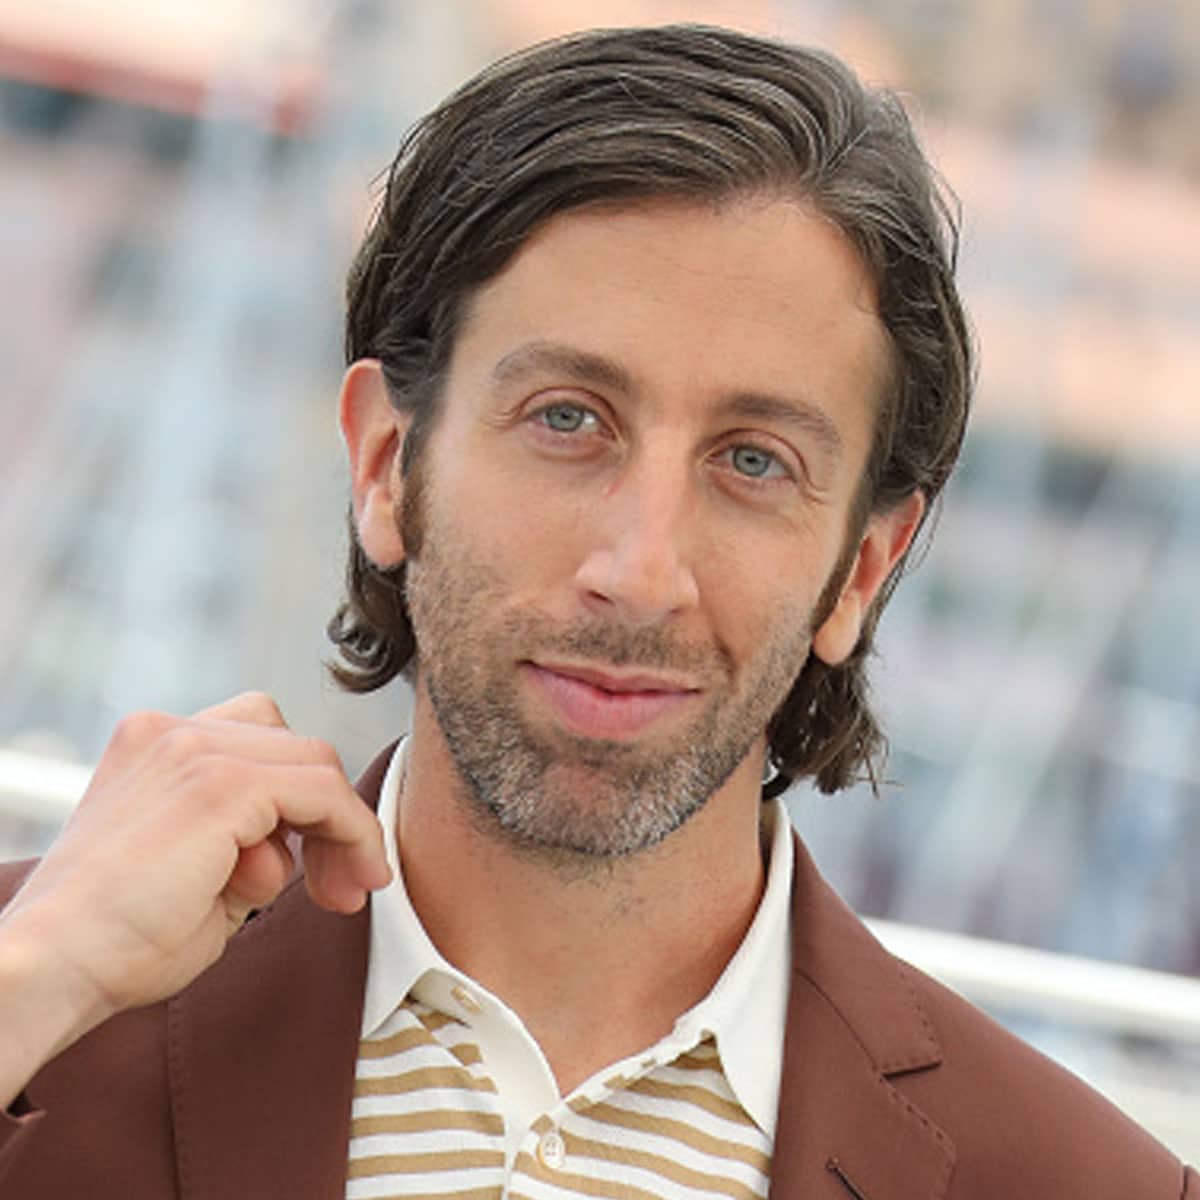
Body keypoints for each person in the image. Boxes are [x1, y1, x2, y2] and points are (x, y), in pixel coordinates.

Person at [0, 23, 1194, 1200]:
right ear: (382, 466)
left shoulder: (1084, 1185)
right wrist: (35, 981)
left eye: (754, 461)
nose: (641, 568)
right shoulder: (45, 990)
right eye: (569, 418)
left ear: (862, 570)